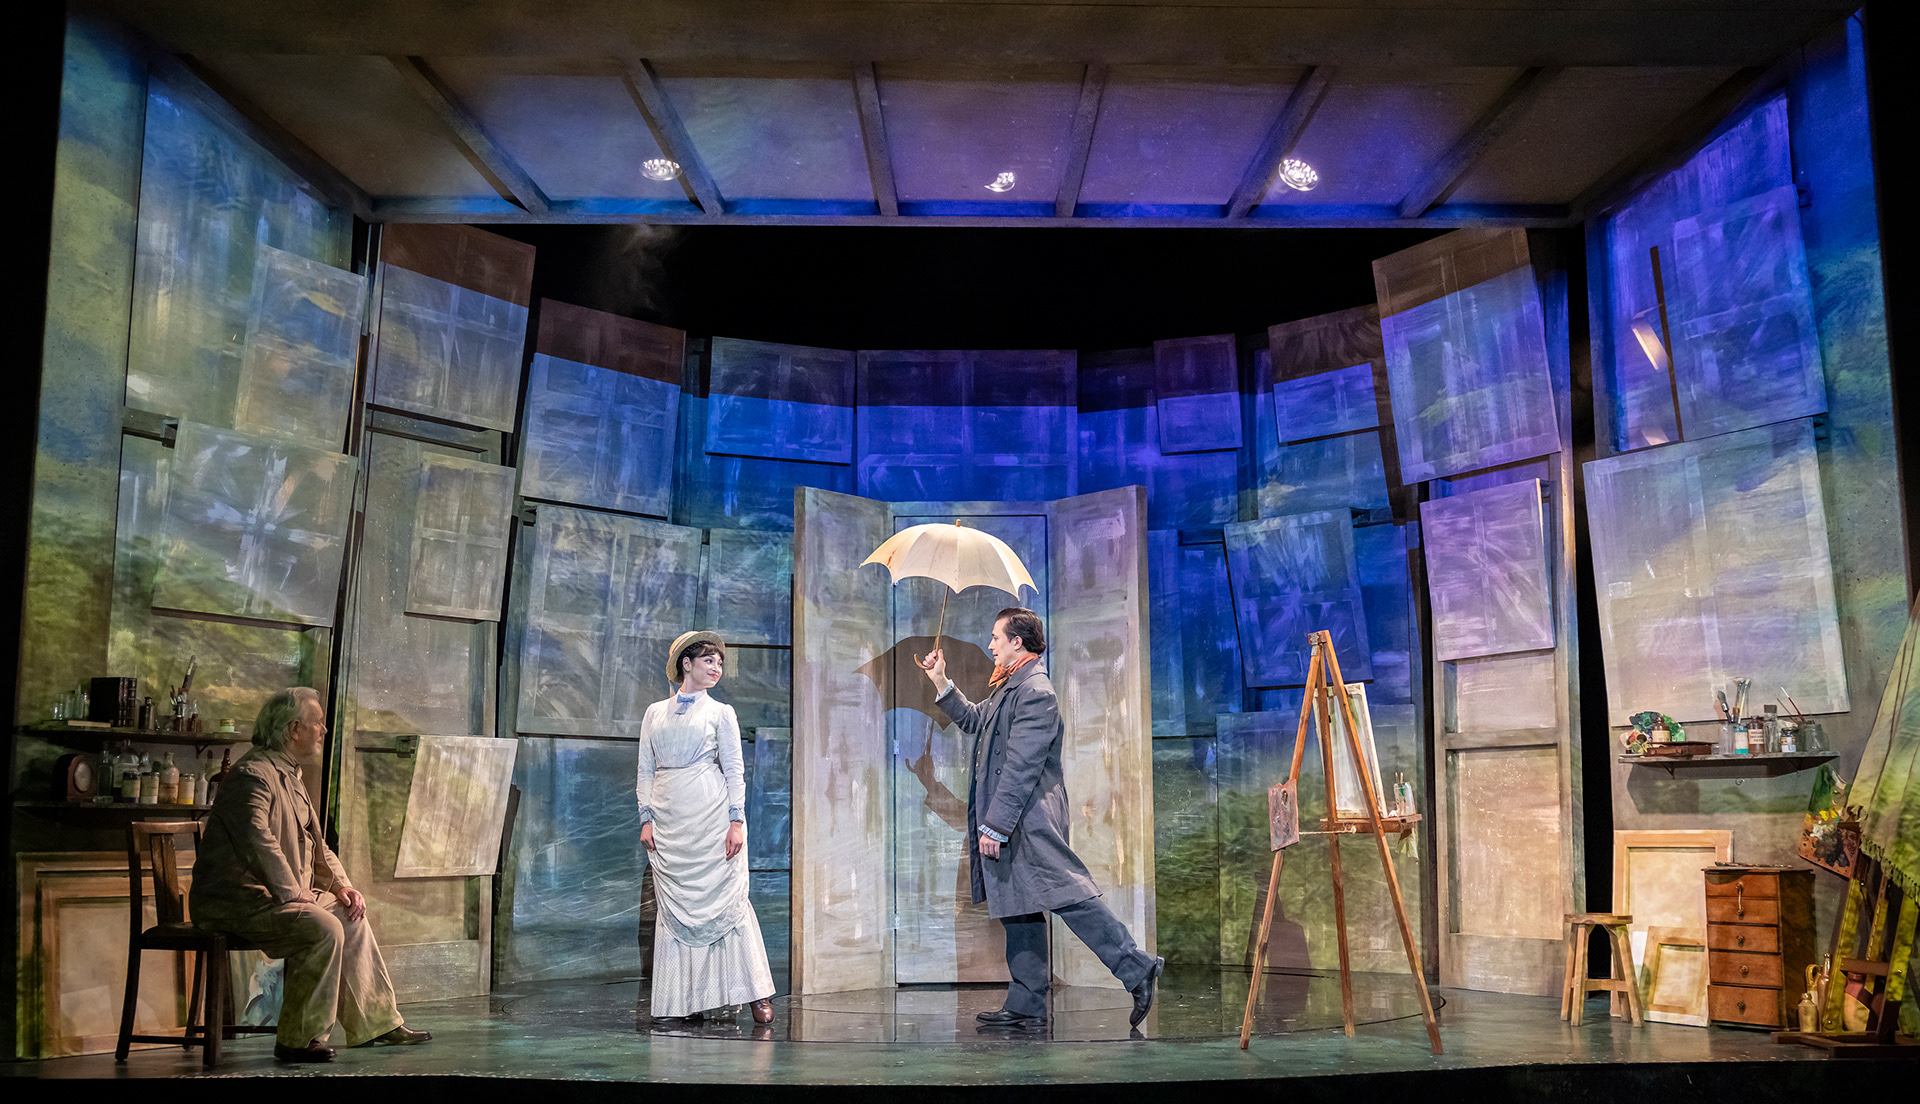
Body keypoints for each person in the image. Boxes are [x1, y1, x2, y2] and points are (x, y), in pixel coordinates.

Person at [920, 607, 1163, 1030]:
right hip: (1013, 815)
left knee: (1069, 894)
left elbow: (1021, 766)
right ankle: (1027, 1002)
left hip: (1028, 819)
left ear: (1017, 642)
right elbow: (975, 720)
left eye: (996, 637)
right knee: (1018, 906)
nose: (991, 645)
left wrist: (996, 825)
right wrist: (941, 680)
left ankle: (1137, 966)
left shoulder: (1035, 691)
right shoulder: (1010, 686)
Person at [189, 687, 430, 1062]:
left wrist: (342, 886)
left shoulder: (289, 775)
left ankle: (376, 1023)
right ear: (293, 729)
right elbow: (257, 839)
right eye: (317, 722)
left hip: (273, 898)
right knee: (322, 927)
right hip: (237, 902)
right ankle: (298, 1040)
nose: (324, 730)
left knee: (348, 915)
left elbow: (318, 845)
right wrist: (291, 891)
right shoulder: (252, 775)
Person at [637, 630, 776, 1024]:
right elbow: (645, 768)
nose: (717, 668)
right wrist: (646, 817)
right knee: (678, 910)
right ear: (687, 663)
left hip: (711, 816)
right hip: (670, 821)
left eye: (719, 663)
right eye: (708, 660)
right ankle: (682, 999)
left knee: (727, 902)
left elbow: (734, 769)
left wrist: (736, 821)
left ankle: (755, 993)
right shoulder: (654, 712)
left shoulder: (721, 712)